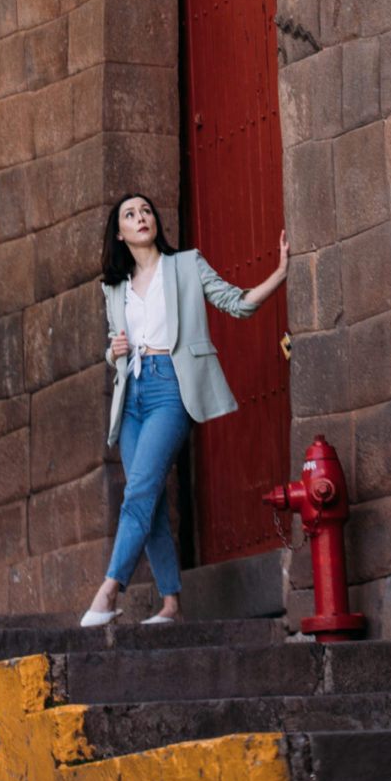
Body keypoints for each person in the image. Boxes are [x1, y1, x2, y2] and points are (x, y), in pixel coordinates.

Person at [81, 192, 289, 626]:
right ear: (119, 233)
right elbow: (116, 351)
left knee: (137, 491)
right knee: (150, 501)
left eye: (146, 211)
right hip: (133, 398)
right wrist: (113, 351)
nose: (142, 218)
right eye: (130, 215)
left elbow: (236, 304)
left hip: (170, 392)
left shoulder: (186, 265)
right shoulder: (113, 288)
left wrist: (280, 273)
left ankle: (107, 591)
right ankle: (172, 606)